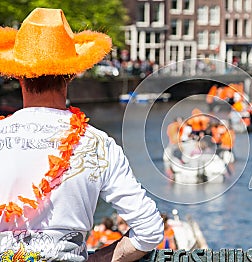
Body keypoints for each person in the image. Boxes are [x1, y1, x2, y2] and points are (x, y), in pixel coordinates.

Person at [0, 8, 163, 261]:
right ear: (71, 75)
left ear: (18, 75)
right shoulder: (97, 145)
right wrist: (99, 258)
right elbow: (150, 231)